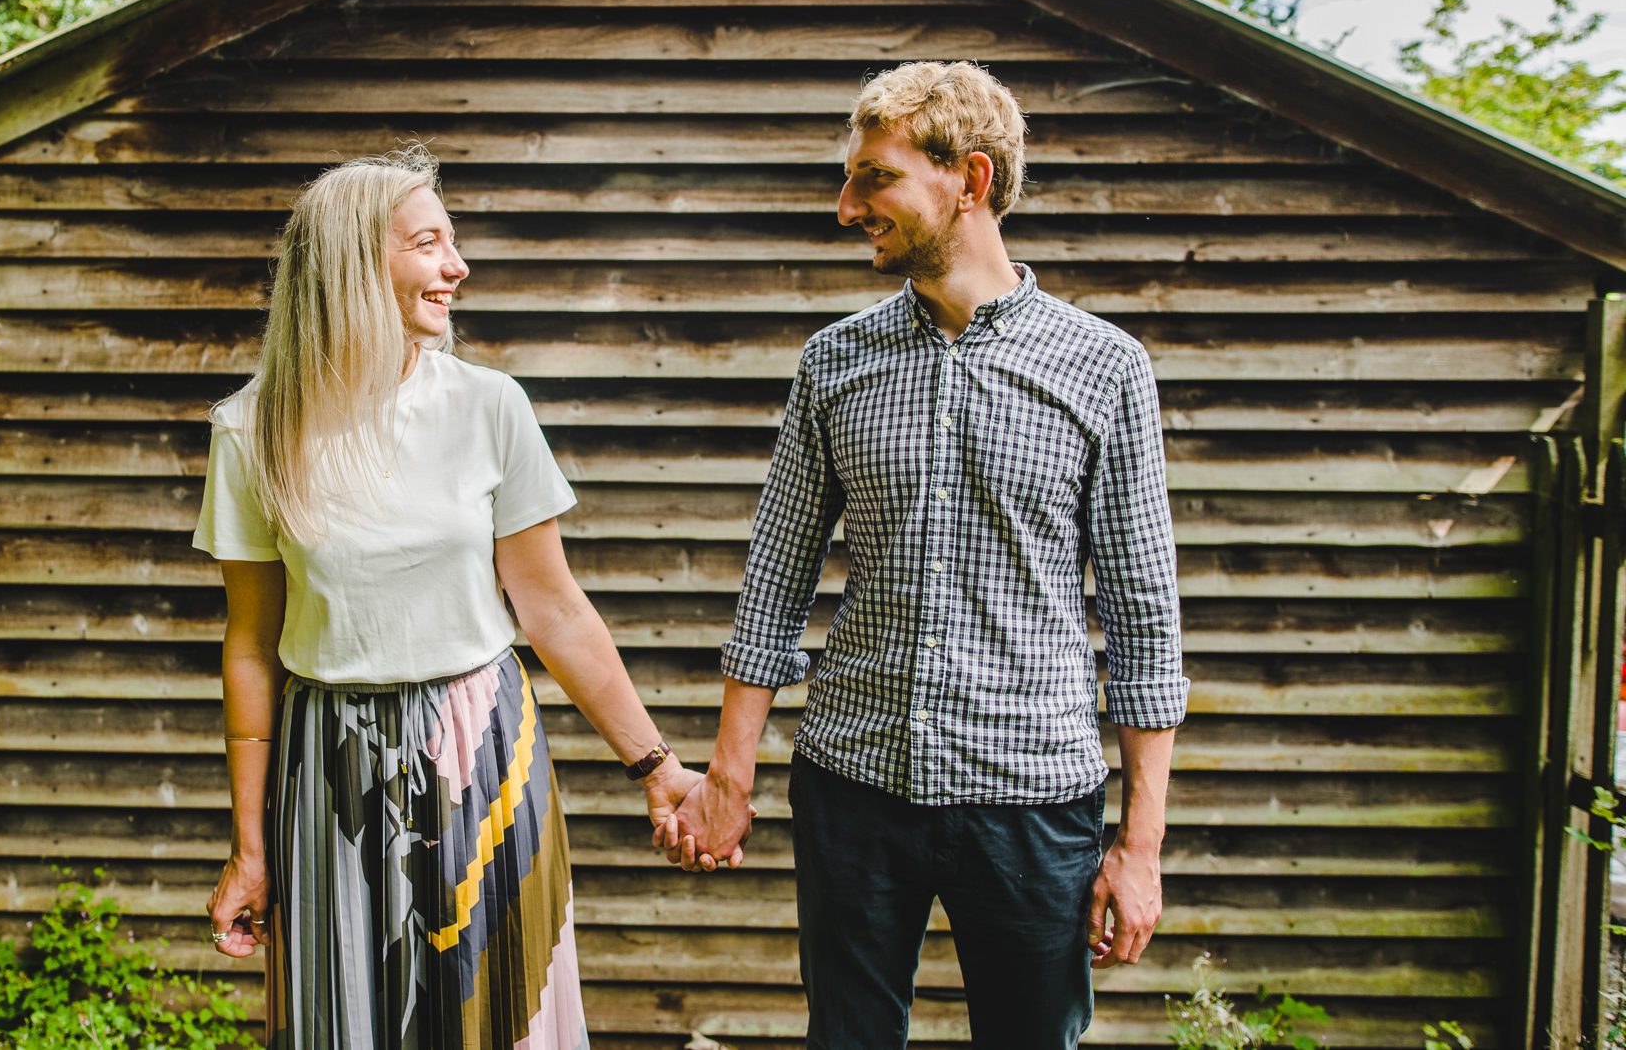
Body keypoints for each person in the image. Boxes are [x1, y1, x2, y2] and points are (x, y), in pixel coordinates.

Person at [662, 62, 1187, 1049]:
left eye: (873, 179)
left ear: (969, 178)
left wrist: (1140, 845)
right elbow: (772, 586)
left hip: (1033, 797)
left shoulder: (1104, 367)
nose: (845, 206)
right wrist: (726, 781)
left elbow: (1142, 623)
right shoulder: (834, 361)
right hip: (853, 784)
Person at [194, 146, 721, 1049]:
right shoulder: (251, 429)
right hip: (327, 768)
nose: (457, 267)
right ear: (358, 264)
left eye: (453, 243)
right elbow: (251, 644)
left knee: (492, 1020)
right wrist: (251, 847)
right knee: (342, 1022)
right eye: (430, 244)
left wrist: (656, 765)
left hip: (478, 752)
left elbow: (552, 607)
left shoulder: (490, 406)